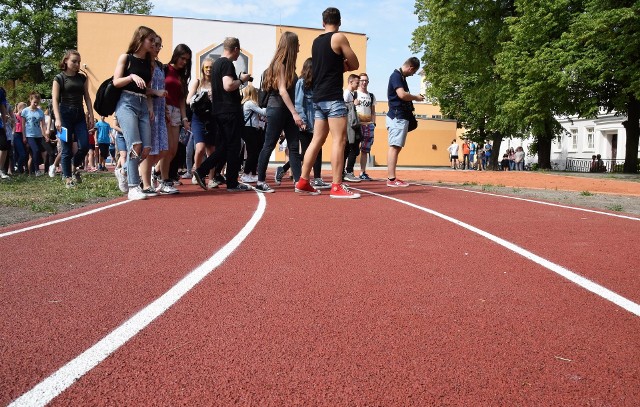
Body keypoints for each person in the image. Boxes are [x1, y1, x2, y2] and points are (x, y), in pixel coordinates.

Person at [294, 7, 361, 199]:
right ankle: (337, 186)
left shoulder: (316, 42)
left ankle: (303, 180)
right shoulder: (339, 37)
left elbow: (326, 66)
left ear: (323, 22)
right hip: (333, 97)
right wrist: (345, 65)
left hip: (318, 98)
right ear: (339, 21)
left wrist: (340, 65)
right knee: (339, 140)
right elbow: (355, 64)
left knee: (317, 140)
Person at [192, 37, 253, 192]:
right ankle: (231, 183)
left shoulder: (217, 64)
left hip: (219, 111)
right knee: (232, 147)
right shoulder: (226, 63)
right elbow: (228, 85)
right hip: (229, 111)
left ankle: (202, 171)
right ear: (236, 49)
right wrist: (241, 79)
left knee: (225, 146)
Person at [252, 31, 304, 194]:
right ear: (290, 46)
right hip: (277, 109)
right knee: (269, 145)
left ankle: (299, 182)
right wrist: (295, 113)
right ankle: (260, 181)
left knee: (294, 147)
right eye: (297, 44)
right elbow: (282, 91)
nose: (299, 47)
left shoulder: (289, 66)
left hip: (287, 110)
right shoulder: (279, 65)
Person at [112, 25, 157, 200]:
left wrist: (150, 106)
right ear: (141, 39)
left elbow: (146, 89)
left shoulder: (149, 63)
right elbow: (116, 82)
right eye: (150, 40)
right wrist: (131, 77)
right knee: (135, 146)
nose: (153, 43)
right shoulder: (126, 58)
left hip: (143, 105)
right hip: (126, 103)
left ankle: (123, 171)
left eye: (154, 41)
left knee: (145, 149)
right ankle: (133, 187)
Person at [51, 49, 95, 187]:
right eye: (74, 61)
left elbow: (87, 97)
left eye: (79, 62)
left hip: (79, 115)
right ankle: (67, 177)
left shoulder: (82, 78)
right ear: (66, 61)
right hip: (64, 115)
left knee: (85, 145)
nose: (77, 64)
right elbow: (55, 100)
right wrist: (57, 119)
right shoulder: (59, 78)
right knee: (66, 148)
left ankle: (73, 166)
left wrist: (91, 114)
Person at [155, 44, 191, 194]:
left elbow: (182, 99)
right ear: (176, 55)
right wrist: (163, 109)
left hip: (177, 112)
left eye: (187, 60)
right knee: (166, 148)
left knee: (174, 150)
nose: (184, 62)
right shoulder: (164, 69)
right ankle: (164, 180)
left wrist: (184, 118)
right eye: (182, 58)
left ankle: (156, 172)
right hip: (164, 109)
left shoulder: (182, 76)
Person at [386, 57, 425, 187]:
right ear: (411, 68)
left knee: (396, 146)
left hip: (399, 116)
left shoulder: (400, 77)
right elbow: (402, 95)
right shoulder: (396, 76)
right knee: (394, 146)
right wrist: (416, 98)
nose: (413, 74)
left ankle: (392, 178)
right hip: (397, 116)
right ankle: (391, 179)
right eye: (413, 72)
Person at [138, 34, 168, 197]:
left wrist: (165, 110)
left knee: (162, 149)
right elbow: (143, 88)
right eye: (154, 44)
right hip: (149, 109)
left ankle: (141, 172)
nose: (156, 48)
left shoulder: (160, 65)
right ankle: (146, 183)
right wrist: (155, 95)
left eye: (159, 45)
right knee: (150, 149)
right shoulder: (145, 65)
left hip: (160, 109)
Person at [294, 57, 330, 189]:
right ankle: (301, 176)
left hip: (317, 123)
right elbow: (298, 104)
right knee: (306, 151)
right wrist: (302, 121)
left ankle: (318, 178)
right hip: (306, 124)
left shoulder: (317, 84)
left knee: (318, 150)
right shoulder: (301, 83)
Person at [186, 56, 218, 187]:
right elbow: (188, 100)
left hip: (212, 118)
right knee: (199, 148)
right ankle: (197, 172)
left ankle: (211, 179)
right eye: (206, 67)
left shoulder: (217, 83)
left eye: (211, 67)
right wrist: (201, 98)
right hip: (198, 118)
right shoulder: (197, 82)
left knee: (212, 150)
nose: (209, 70)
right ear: (202, 69)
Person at [240, 83, 266, 183]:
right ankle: (246, 173)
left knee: (253, 152)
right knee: (253, 153)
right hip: (250, 129)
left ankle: (251, 173)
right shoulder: (250, 103)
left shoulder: (246, 103)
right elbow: (263, 112)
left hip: (250, 129)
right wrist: (273, 108)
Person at [21, 92, 48, 176]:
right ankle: (36, 170)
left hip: (38, 135)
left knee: (36, 154)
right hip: (30, 135)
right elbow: (22, 125)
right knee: (35, 151)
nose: (36, 104)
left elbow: (43, 125)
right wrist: (24, 136)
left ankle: (31, 172)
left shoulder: (40, 112)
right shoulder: (25, 111)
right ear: (30, 100)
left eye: (37, 102)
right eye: (34, 102)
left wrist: (46, 135)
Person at [342, 74, 362, 183]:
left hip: (353, 124)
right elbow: (344, 108)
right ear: (350, 82)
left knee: (352, 149)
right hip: (349, 126)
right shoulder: (346, 94)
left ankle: (345, 172)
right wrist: (353, 104)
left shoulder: (352, 94)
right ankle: (347, 172)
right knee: (352, 148)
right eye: (357, 83)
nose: (358, 85)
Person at [356, 72, 376, 180]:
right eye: (362, 80)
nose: (364, 82)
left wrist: (373, 123)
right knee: (352, 149)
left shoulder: (371, 96)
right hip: (356, 125)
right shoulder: (355, 94)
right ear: (359, 81)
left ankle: (362, 172)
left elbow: (373, 111)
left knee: (365, 150)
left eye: (366, 80)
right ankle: (347, 171)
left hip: (368, 125)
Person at [12, 102, 28, 174]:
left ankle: (20, 169)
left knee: (24, 153)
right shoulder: (14, 115)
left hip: (24, 135)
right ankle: (17, 167)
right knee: (21, 153)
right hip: (16, 135)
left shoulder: (25, 117)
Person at [0, 87, 10, 179]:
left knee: (4, 146)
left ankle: (0, 170)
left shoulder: (0, 92)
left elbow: (2, 108)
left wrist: (4, 124)